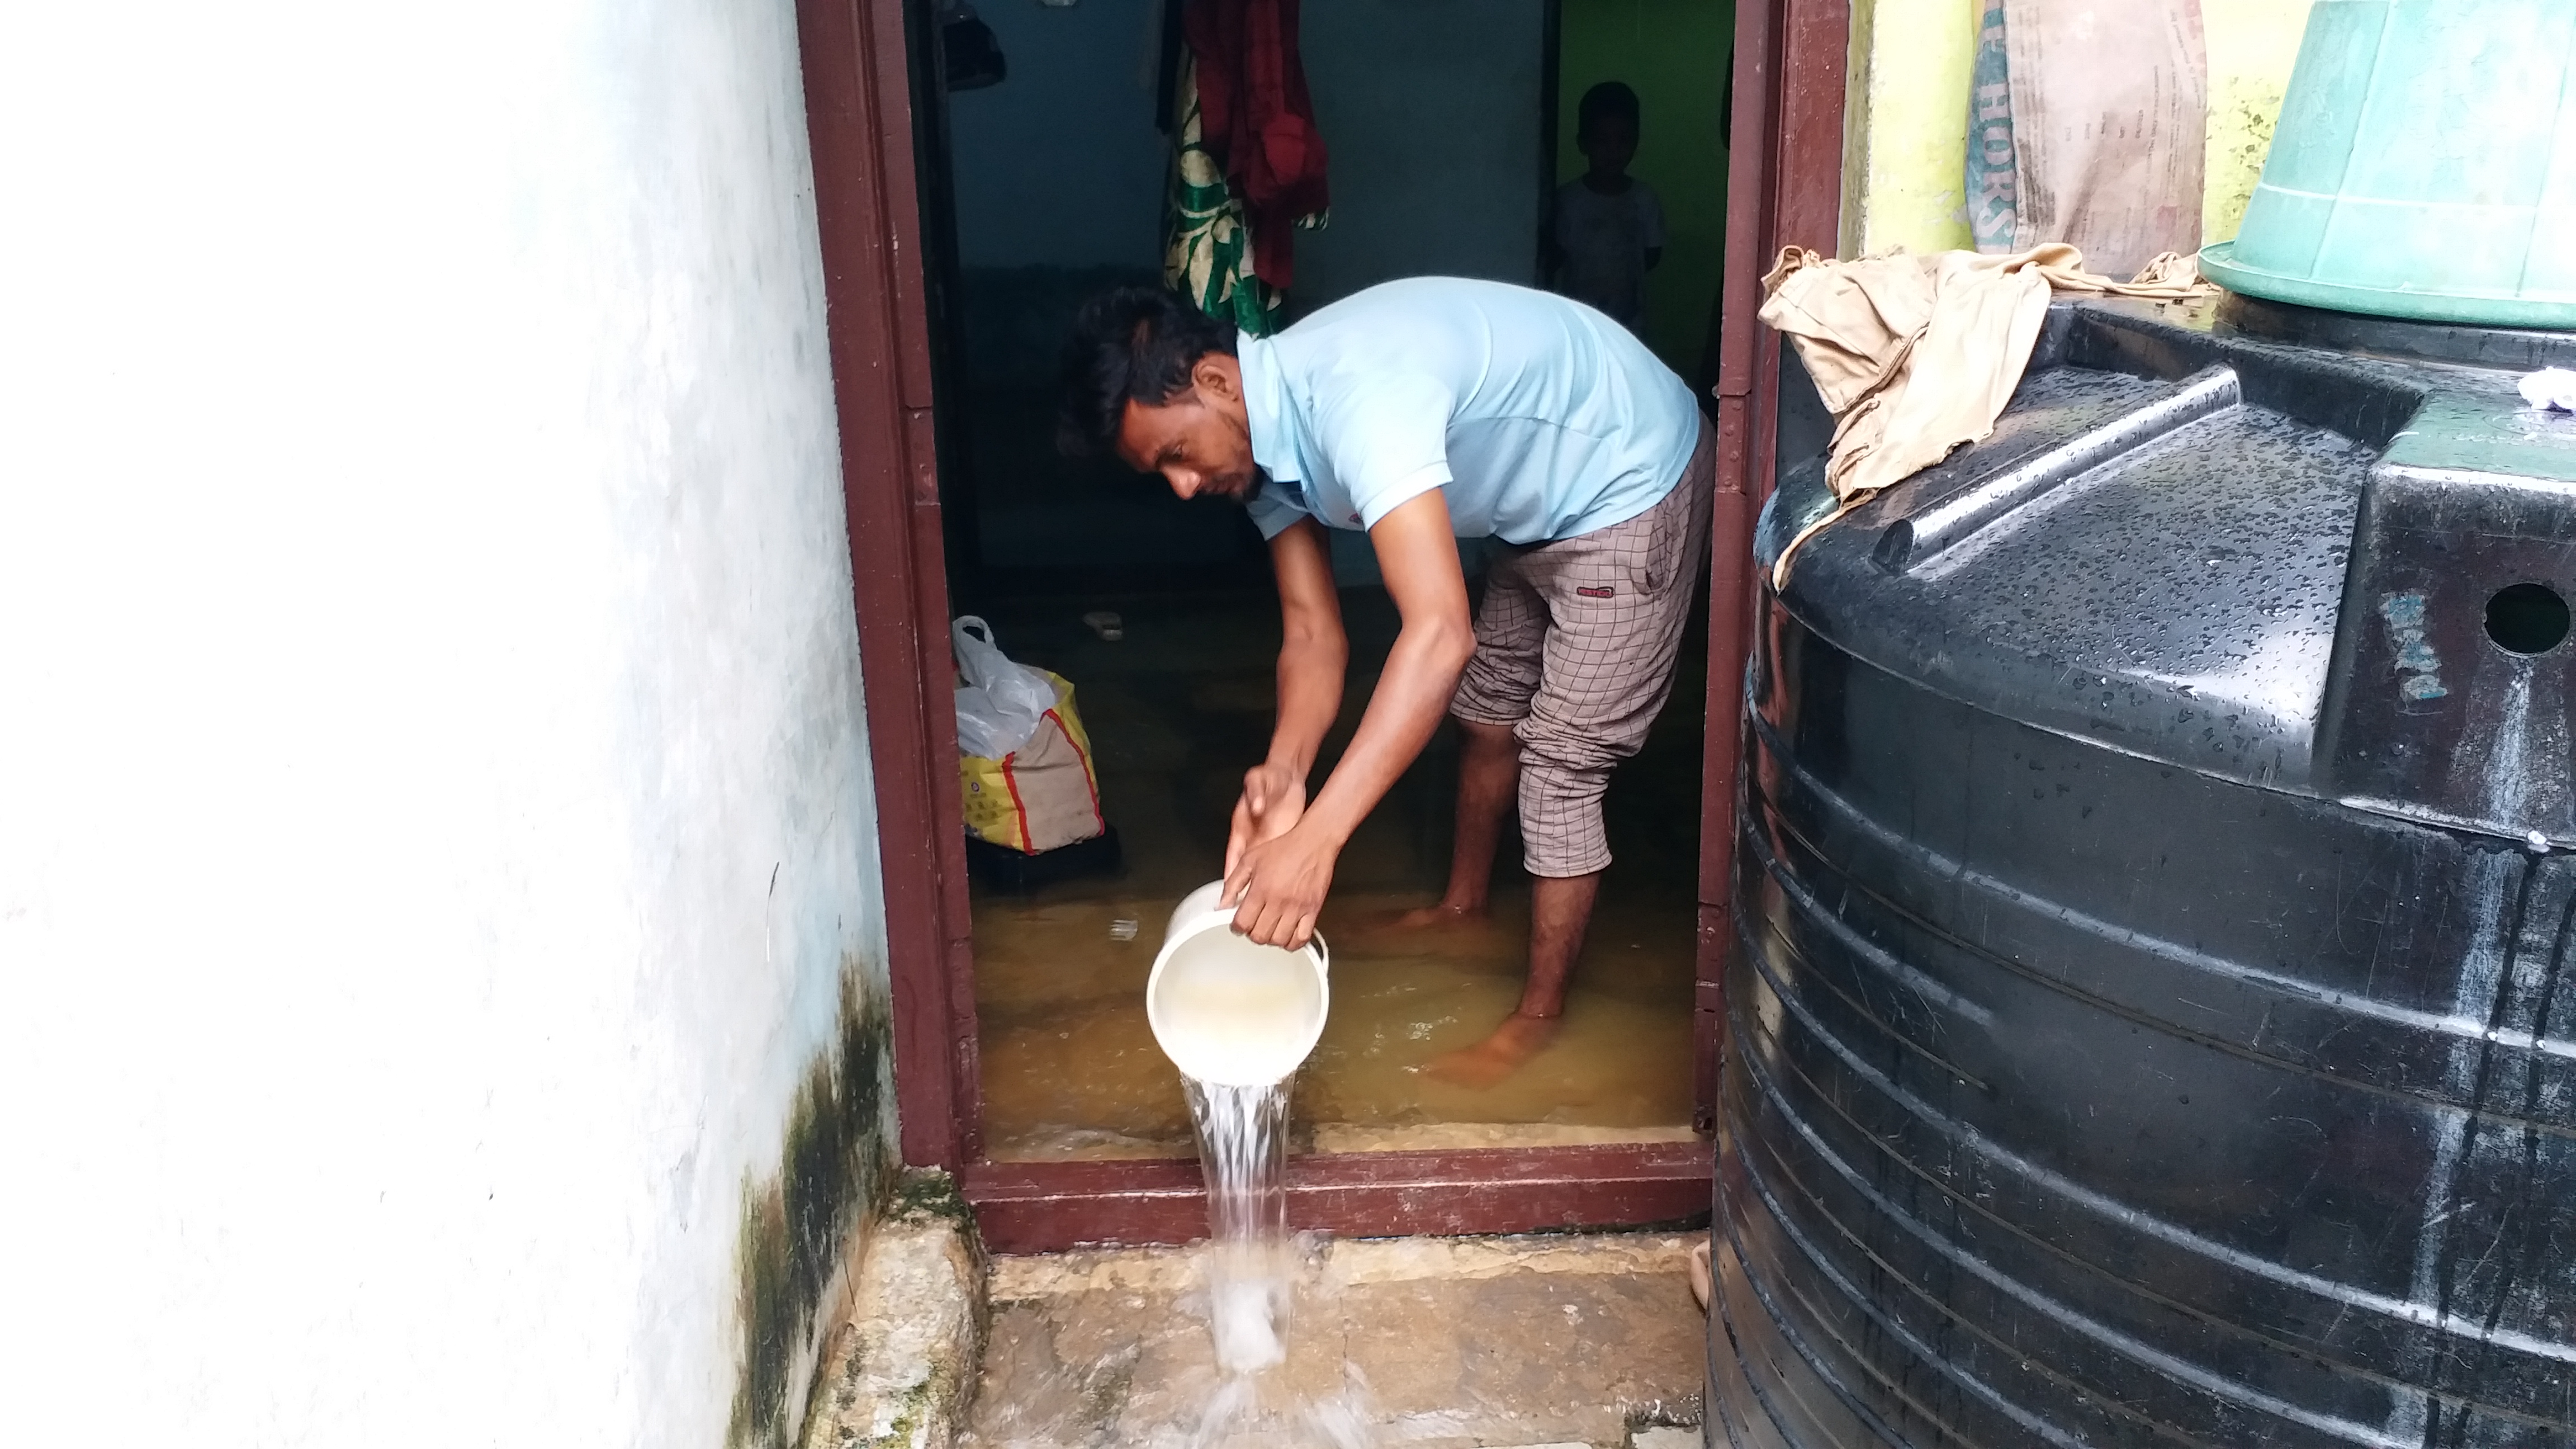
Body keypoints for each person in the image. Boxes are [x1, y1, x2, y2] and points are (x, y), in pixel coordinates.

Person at [1057, 278, 1711, 1086]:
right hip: (1529, 507)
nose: (1183, 487)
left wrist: (1319, 841)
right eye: (1162, 473)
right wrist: (1286, 775)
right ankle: (1462, 909)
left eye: (1177, 455)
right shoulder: (1263, 454)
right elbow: (1312, 634)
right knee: (1485, 718)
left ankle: (1539, 1020)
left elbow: (1439, 636)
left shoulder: (1358, 399)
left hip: (1627, 477)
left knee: (1560, 767)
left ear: (1218, 382)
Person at [1549, 81, 1665, 335]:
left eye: (1623, 140)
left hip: (1630, 323)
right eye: (1603, 140)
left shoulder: (1644, 200)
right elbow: (1554, 256)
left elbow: (1652, 255)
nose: (1613, 151)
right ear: (1583, 143)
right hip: (1576, 319)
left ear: (1636, 142)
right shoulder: (1567, 200)